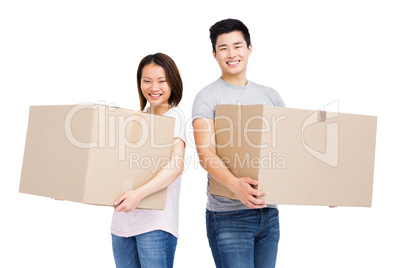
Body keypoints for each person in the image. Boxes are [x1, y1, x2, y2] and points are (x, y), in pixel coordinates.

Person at [192, 19, 285, 268]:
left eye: (237, 46)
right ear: (214, 54)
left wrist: (323, 189)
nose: (231, 54)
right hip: (228, 216)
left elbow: (288, 150)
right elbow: (205, 153)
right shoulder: (207, 97)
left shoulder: (271, 95)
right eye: (223, 48)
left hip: (269, 213)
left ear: (249, 48)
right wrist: (236, 185)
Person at [111, 53, 185, 268]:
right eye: (147, 80)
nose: (154, 87)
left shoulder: (175, 117)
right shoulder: (135, 119)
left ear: (173, 83)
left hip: (155, 225)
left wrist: (139, 194)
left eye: (162, 81)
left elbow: (176, 165)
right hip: (122, 223)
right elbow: (111, 166)